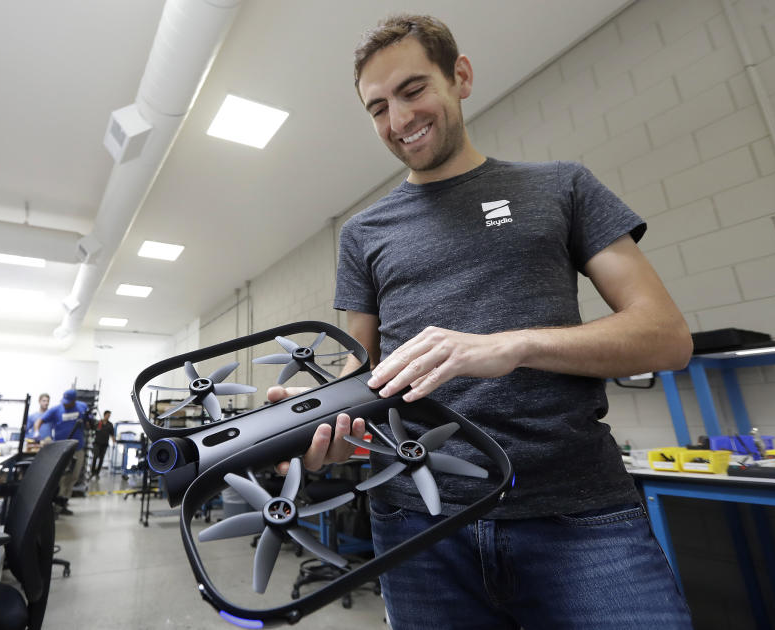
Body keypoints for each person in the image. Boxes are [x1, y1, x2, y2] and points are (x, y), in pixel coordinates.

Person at [269, 14, 694, 629]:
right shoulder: (363, 233)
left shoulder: (561, 187)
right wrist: (314, 432)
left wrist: (511, 345)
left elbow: (667, 335)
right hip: (419, 530)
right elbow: (355, 379)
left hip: (578, 516)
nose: (398, 121)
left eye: (413, 91)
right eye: (378, 108)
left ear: (460, 77)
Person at [38, 389, 88, 515]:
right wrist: (40, 435)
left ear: (74, 401)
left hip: (77, 448)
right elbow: (41, 421)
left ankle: (63, 502)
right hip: (61, 449)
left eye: (68, 402)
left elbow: (88, 419)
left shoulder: (82, 407)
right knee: (61, 476)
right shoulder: (56, 409)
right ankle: (55, 502)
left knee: (74, 476)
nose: (65, 404)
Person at [91, 410, 115, 478]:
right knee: (95, 457)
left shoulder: (110, 424)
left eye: (109, 415)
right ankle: (92, 472)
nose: (108, 416)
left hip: (104, 444)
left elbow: (112, 434)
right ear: (104, 415)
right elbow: (94, 430)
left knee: (101, 459)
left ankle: (97, 473)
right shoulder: (99, 422)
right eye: (108, 415)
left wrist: (114, 441)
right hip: (97, 443)